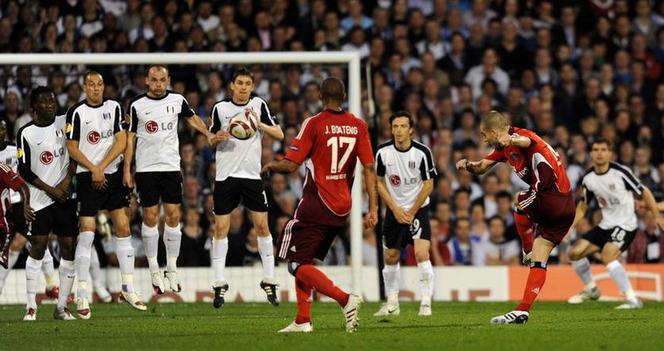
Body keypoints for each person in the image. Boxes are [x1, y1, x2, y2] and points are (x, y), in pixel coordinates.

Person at [261, 77, 378, 333]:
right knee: (303, 261)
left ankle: (345, 299)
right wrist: (373, 208)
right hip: (342, 207)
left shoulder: (314, 124)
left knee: (294, 263)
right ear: (344, 96)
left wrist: (271, 165)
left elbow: (291, 164)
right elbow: (369, 168)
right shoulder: (358, 126)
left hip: (317, 203)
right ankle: (303, 320)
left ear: (320, 97)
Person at [456, 110, 575, 324]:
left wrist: (511, 138)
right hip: (566, 208)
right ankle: (523, 310)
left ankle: (526, 249)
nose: (484, 139)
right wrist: (468, 166)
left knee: (519, 200)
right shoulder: (503, 149)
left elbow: (528, 142)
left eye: (484, 134)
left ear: (494, 132)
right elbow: (482, 167)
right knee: (541, 257)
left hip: (551, 196)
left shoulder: (521, 137)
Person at [124, 65, 215, 294]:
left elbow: (192, 119)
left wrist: (207, 133)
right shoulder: (136, 105)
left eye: (162, 80)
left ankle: (172, 268)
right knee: (151, 216)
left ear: (168, 80)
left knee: (174, 216)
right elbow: (130, 139)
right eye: (154, 80)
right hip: (146, 169)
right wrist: (127, 169)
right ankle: (154, 268)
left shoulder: (177, 100)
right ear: (146, 80)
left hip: (171, 168)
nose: (158, 84)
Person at [66, 71, 147, 318]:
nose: (96, 89)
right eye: (91, 85)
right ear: (84, 87)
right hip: (86, 176)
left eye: (99, 84)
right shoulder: (76, 112)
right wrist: (93, 169)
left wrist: (102, 167)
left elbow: (121, 141)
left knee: (123, 227)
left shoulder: (113, 107)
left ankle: (128, 288)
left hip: (109, 175)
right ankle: (82, 293)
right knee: (87, 233)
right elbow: (71, 147)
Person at [207, 67, 284, 308]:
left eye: (247, 83)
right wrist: (217, 137)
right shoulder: (220, 109)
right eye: (239, 83)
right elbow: (210, 138)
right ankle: (219, 283)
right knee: (221, 228)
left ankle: (269, 279)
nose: (243, 87)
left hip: (251, 176)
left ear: (252, 86)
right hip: (225, 176)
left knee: (262, 225)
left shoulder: (259, 105)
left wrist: (258, 123)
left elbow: (280, 134)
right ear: (231, 85)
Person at [567, 139, 664, 309]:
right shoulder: (588, 179)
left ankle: (633, 299)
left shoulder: (621, 172)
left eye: (603, 149)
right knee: (575, 253)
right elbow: (583, 206)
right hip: (606, 224)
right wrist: (570, 227)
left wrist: (657, 216)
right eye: (596, 149)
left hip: (626, 225)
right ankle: (591, 289)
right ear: (590, 153)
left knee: (607, 256)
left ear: (610, 154)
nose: (599, 153)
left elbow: (645, 192)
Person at [17, 86, 77, 320]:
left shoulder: (65, 123)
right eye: (44, 102)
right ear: (33, 109)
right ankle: (31, 306)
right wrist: (52, 189)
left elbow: (75, 153)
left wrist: (66, 183)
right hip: (40, 198)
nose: (50, 104)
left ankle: (61, 307)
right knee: (38, 247)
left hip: (65, 197)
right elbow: (24, 170)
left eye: (52, 100)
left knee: (68, 248)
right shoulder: (26, 133)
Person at [372, 111, 436, 317]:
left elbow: (428, 184)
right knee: (390, 256)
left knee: (421, 253)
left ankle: (426, 302)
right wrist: (394, 208)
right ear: (391, 129)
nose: (398, 130)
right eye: (395, 126)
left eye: (402, 126)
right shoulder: (382, 152)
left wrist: (412, 210)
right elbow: (379, 182)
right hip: (395, 210)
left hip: (418, 209)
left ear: (411, 129)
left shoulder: (422, 152)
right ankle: (392, 303)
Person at [0, 120, 60, 300]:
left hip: (21, 203)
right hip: (3, 208)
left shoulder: (14, 148)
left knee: (38, 240)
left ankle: (52, 284)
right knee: (7, 250)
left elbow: (28, 170)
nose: (1, 131)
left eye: (3, 127)